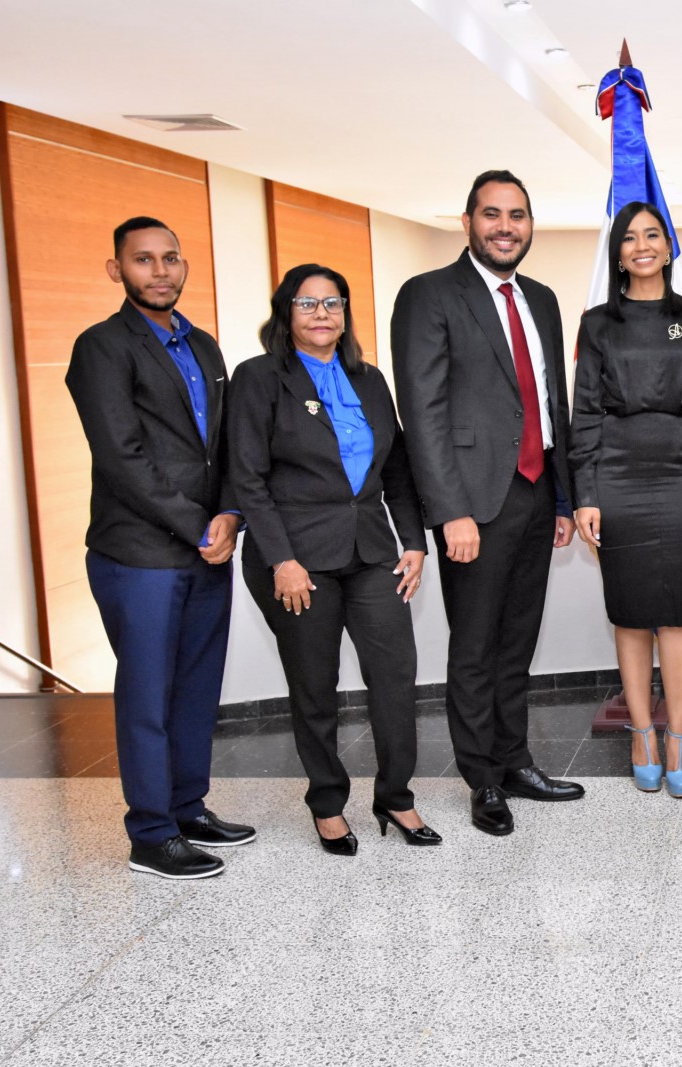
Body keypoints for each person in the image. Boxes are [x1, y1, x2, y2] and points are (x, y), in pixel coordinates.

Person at [391, 170, 582, 837]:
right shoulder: (429, 294)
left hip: (536, 490)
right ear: (468, 221)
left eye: (518, 215)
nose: (506, 227)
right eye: (492, 214)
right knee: (474, 645)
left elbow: (552, 402)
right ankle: (483, 779)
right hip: (472, 502)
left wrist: (564, 496)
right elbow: (422, 409)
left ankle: (515, 759)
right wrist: (449, 511)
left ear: (530, 224)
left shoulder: (543, 299)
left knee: (516, 642)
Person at [227, 264, 440, 855]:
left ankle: (395, 796)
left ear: (345, 313)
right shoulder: (259, 378)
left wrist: (414, 541)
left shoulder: (369, 379)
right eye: (307, 302)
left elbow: (396, 469)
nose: (321, 312)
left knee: (395, 678)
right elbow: (247, 478)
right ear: (285, 311)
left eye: (333, 302)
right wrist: (281, 560)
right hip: (297, 561)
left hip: (371, 550)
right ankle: (327, 804)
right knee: (314, 686)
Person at [66, 216, 254, 880]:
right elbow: (122, 456)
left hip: (206, 546)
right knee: (148, 695)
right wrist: (200, 526)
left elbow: (226, 445)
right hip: (139, 553)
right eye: (143, 259)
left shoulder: (203, 345)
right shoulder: (101, 347)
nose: (160, 271)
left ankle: (186, 808)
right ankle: (150, 833)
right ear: (116, 269)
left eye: (170, 258)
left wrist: (230, 513)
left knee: (197, 688)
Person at [570, 201, 682, 798]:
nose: (642, 245)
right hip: (615, 472)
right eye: (630, 237)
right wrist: (585, 492)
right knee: (632, 612)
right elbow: (585, 409)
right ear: (618, 252)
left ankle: (680, 736)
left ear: (667, 247)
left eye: (652, 235)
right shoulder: (596, 323)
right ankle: (643, 733)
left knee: (679, 611)